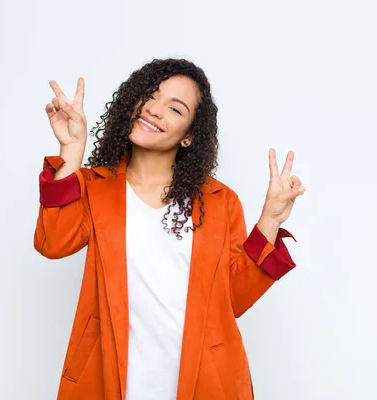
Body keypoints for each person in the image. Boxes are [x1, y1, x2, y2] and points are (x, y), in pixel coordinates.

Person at [34, 58, 305, 400]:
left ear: (190, 136)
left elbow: (231, 301)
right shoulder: (94, 188)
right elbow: (52, 242)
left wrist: (269, 221)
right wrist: (72, 150)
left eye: (175, 109)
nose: (154, 110)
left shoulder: (220, 202)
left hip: (204, 382)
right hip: (108, 380)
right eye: (150, 95)